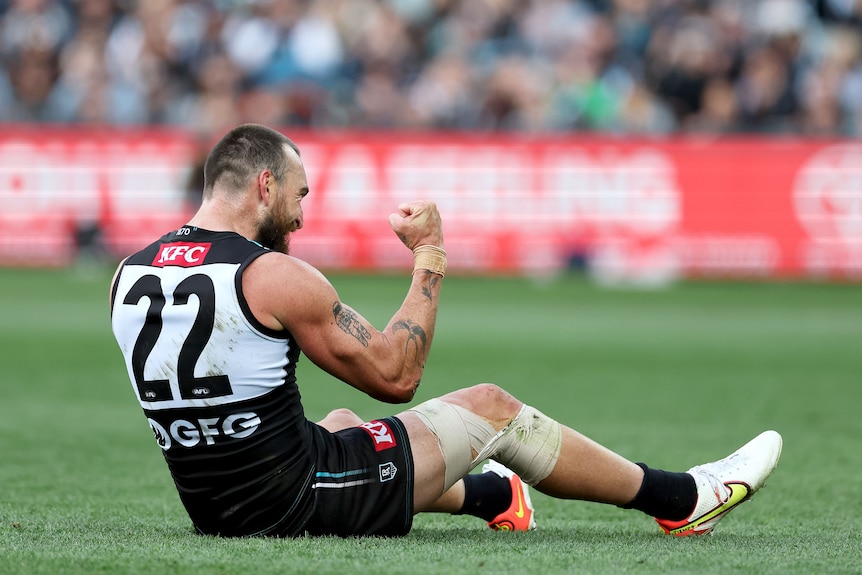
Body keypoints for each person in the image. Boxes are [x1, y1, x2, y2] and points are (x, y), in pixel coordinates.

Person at [109, 123, 783, 538]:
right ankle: (683, 497)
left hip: (215, 508)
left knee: (346, 421)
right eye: (299, 194)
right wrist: (430, 253)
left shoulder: (128, 275)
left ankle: (495, 493)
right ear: (264, 185)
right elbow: (397, 374)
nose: (302, 216)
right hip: (290, 503)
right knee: (489, 405)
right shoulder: (275, 277)